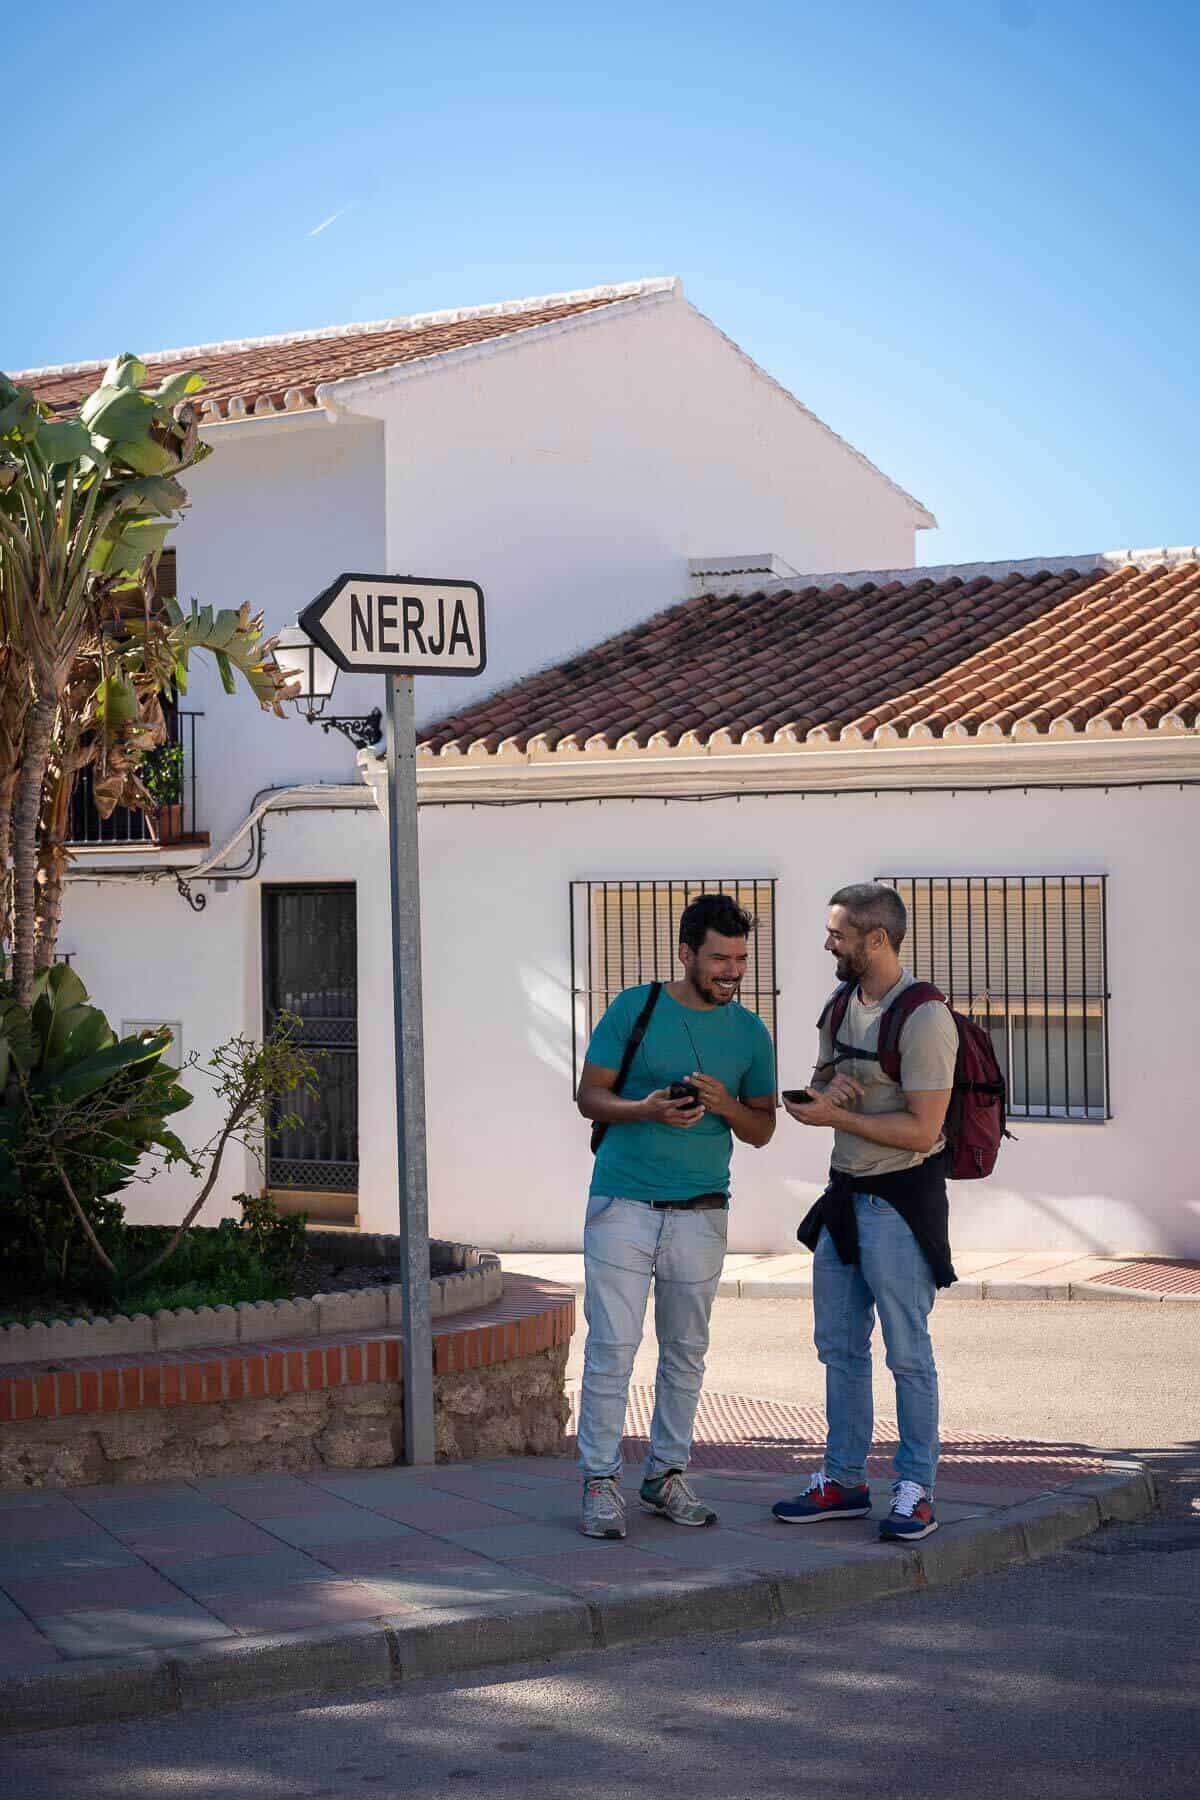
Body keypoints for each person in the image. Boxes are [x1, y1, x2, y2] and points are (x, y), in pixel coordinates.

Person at [574, 893, 777, 1540]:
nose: (732, 971)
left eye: (741, 958)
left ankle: (665, 1475)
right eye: (719, 958)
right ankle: (600, 1483)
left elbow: (763, 1128)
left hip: (701, 1212)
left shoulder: (750, 1032)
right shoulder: (634, 1008)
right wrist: (648, 1109)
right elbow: (589, 1097)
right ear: (686, 953)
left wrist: (724, 1105)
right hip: (622, 1206)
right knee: (612, 1349)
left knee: (686, 1353)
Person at [774, 883, 957, 1542]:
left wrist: (839, 1114)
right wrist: (822, 1092)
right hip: (844, 1197)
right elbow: (820, 1082)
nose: (828, 943)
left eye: (838, 934)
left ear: (875, 939)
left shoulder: (926, 1018)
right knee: (839, 1349)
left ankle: (916, 1490)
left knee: (907, 1354)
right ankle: (844, 1480)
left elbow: (923, 1130)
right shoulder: (836, 1005)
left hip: (901, 1204)